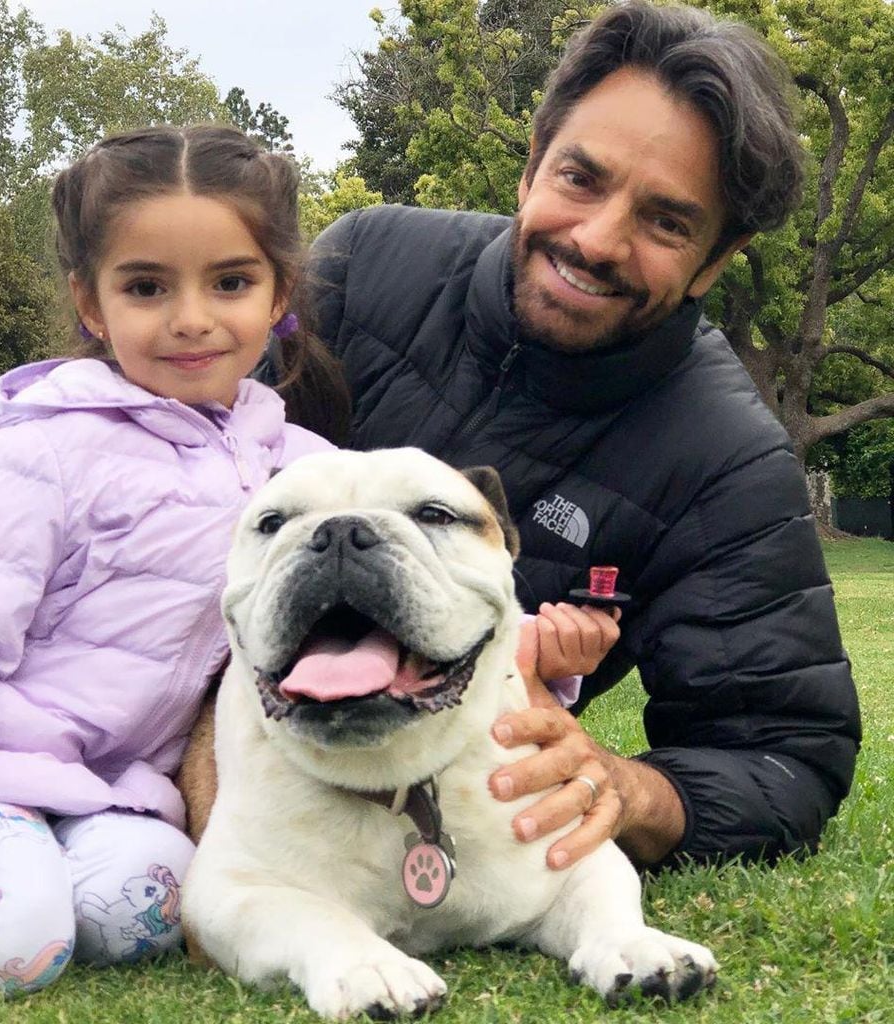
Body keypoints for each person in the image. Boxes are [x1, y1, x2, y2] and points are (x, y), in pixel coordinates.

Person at [281, 3, 861, 872]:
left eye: (667, 222)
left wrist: (627, 788)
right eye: (580, 179)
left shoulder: (725, 461)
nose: (597, 239)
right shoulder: (363, 266)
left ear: (717, 259)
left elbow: (786, 757)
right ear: (531, 166)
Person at [0, 124, 351, 999]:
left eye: (231, 282)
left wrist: (540, 667)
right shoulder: (48, 446)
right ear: (92, 304)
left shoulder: (306, 467)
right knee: (6, 945)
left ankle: (30, 884)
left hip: (118, 792)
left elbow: (403, 598)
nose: (192, 318)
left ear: (279, 290)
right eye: (146, 286)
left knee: (164, 912)